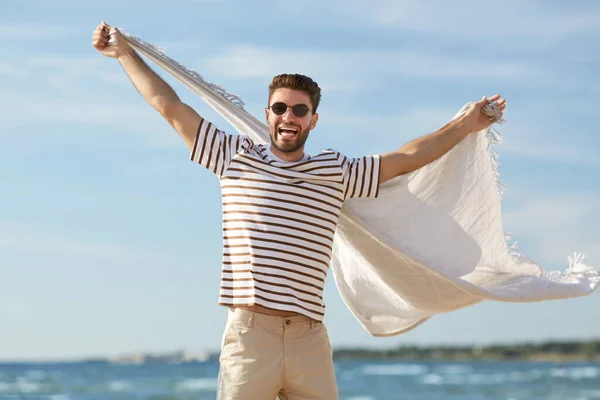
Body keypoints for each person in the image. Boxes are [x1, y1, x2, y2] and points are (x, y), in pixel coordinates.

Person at [92, 21, 506, 399]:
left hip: (310, 339)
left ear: (313, 119)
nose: (288, 116)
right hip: (251, 337)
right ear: (267, 113)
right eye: (279, 108)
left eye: (299, 110)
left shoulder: (334, 172)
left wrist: (466, 124)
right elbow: (169, 105)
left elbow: (406, 158)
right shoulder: (234, 156)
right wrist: (126, 54)